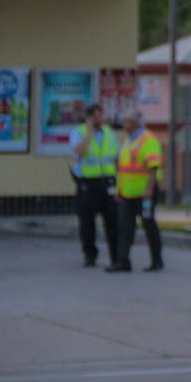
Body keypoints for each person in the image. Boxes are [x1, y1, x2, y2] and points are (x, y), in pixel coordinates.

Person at [108, 109, 164, 273]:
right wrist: (119, 190)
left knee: (149, 225)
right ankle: (123, 261)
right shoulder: (129, 141)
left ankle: (157, 260)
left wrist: (149, 189)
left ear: (135, 123)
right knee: (125, 228)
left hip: (144, 193)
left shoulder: (148, 140)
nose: (124, 125)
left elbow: (153, 167)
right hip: (127, 193)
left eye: (126, 121)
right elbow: (123, 169)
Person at [70, 103, 120, 268]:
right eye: (96, 116)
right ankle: (90, 255)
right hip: (87, 183)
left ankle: (117, 256)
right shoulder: (79, 132)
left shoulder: (109, 133)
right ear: (89, 118)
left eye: (101, 115)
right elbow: (79, 151)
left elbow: (117, 156)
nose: (100, 119)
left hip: (107, 182)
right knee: (87, 222)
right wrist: (90, 133)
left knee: (113, 221)